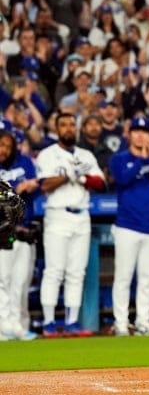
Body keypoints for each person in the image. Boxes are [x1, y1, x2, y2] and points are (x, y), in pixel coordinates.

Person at [36, 112, 107, 337]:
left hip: (82, 215)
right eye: (63, 125)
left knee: (77, 272)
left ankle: (72, 322)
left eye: (71, 124)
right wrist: (69, 176)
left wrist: (83, 178)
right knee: (54, 270)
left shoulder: (85, 154)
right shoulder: (47, 155)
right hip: (58, 214)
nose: (68, 128)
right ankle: (48, 323)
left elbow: (101, 183)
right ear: (57, 129)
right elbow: (44, 185)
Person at [107, 115, 149, 336]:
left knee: (146, 278)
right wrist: (142, 160)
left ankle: (143, 320)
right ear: (129, 134)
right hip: (127, 225)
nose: (141, 135)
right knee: (123, 276)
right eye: (136, 131)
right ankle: (121, 323)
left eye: (145, 132)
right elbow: (122, 179)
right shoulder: (119, 158)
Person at [0, 126, 40, 341]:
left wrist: (27, 187)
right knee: (2, 280)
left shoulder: (24, 162)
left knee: (21, 281)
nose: (3, 149)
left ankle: (18, 325)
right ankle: (4, 326)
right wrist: (18, 189)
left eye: (7, 145)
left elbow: (37, 185)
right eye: (1, 144)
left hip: (24, 229)